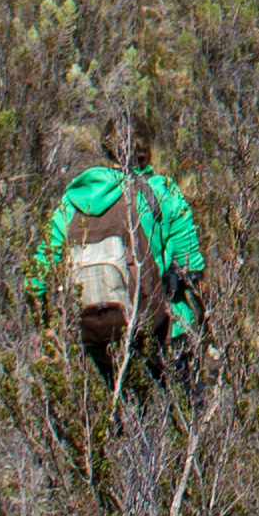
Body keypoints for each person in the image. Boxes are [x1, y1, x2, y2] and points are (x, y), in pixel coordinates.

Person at [26, 116, 211, 386]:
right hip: (166, 331)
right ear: (146, 151)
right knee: (182, 416)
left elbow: (37, 279)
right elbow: (191, 271)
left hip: (102, 338)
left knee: (123, 418)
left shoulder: (72, 203)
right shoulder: (164, 193)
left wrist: (45, 329)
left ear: (105, 147)